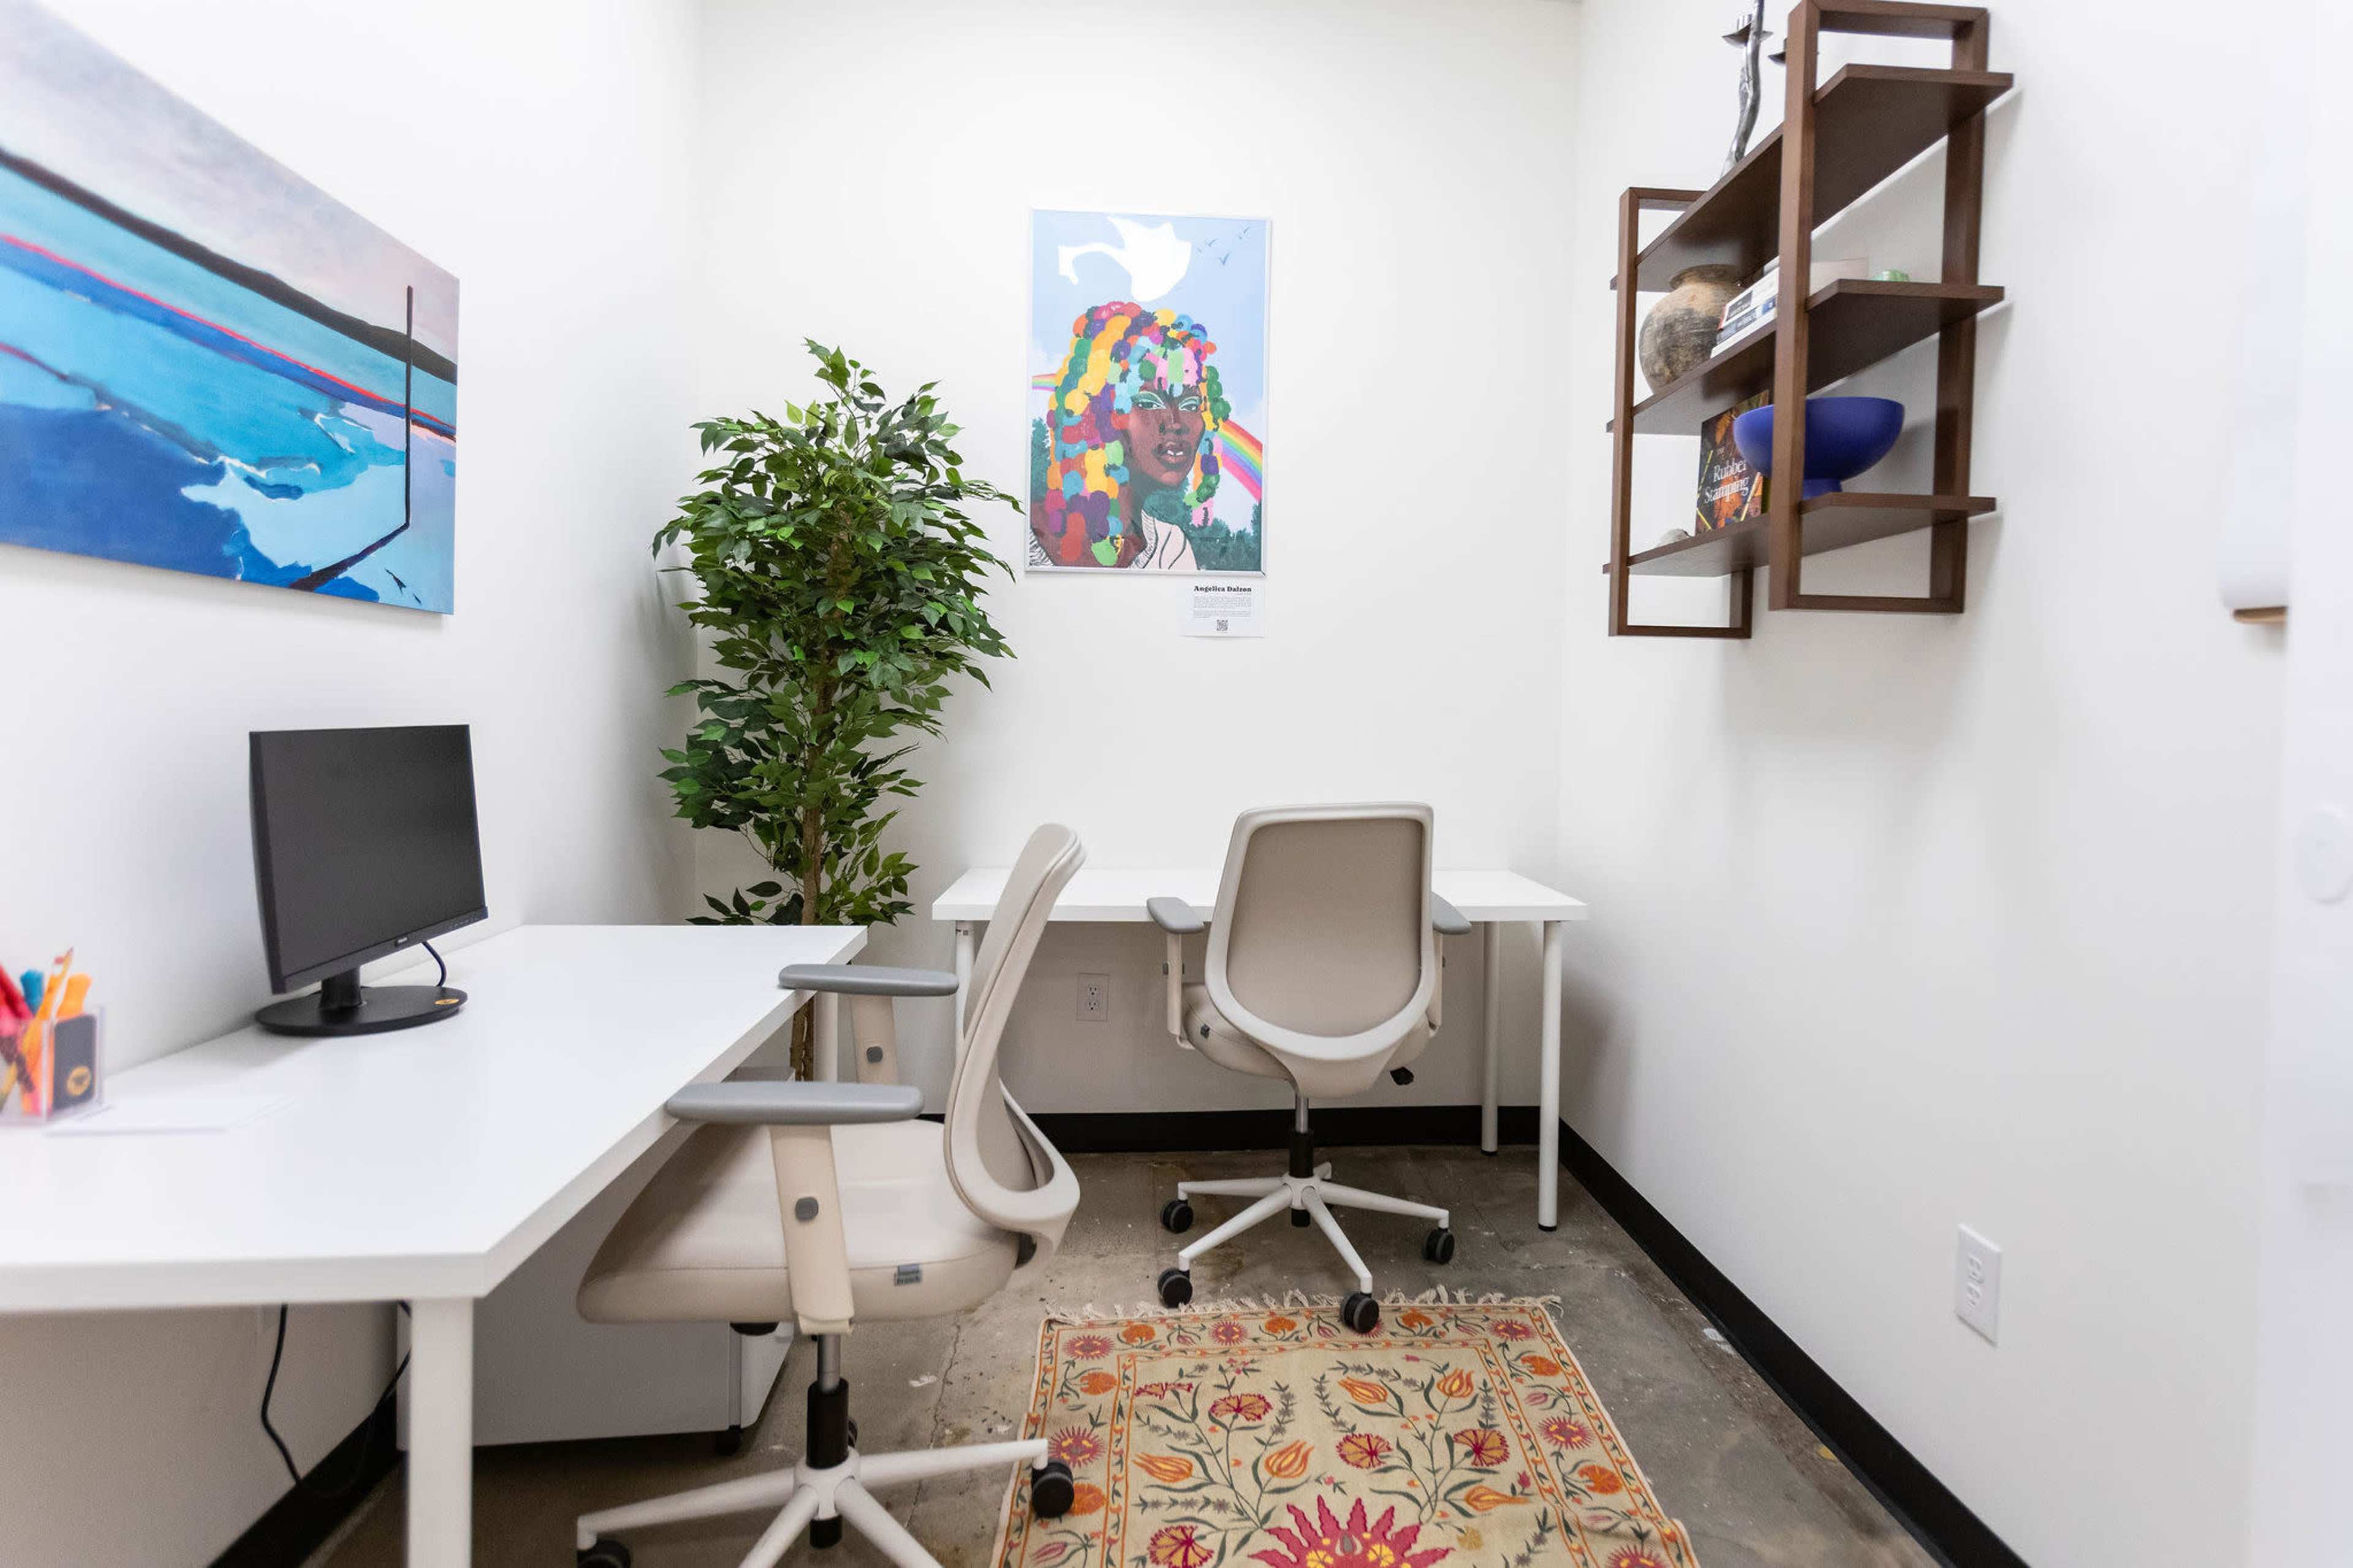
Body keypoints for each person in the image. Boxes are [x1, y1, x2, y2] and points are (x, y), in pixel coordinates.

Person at [1033, 301, 1230, 569]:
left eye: (1191, 405)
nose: (1175, 423)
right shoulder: (1029, 534)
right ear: (1097, 413)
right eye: (1148, 403)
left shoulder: (1171, 549)